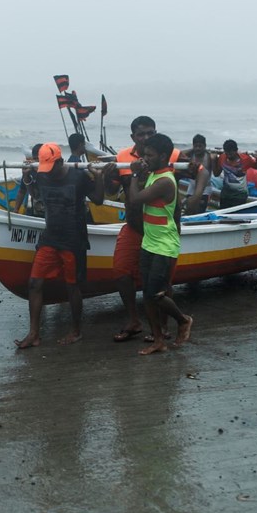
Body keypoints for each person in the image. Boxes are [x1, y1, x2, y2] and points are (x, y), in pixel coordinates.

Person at [14, 142, 105, 349]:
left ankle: (76, 331)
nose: (48, 173)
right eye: (44, 168)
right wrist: (27, 177)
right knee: (34, 283)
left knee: (72, 286)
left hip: (74, 240)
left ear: (61, 161)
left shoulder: (79, 177)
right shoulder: (43, 174)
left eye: (51, 167)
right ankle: (34, 334)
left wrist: (99, 178)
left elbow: (98, 200)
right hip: (50, 237)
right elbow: (36, 195)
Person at [109, 116, 180, 343]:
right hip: (135, 226)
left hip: (160, 230)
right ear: (133, 137)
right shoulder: (122, 157)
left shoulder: (169, 154)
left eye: (151, 133)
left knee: (162, 283)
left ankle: (162, 327)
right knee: (121, 272)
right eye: (142, 134)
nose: (146, 137)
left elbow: (200, 169)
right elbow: (111, 191)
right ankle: (134, 321)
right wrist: (108, 173)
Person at [125, 133, 193, 355]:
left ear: (163, 156)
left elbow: (134, 200)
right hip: (149, 242)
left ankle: (183, 320)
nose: (145, 159)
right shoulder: (153, 175)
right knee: (147, 294)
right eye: (144, 154)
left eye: (150, 155)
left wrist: (135, 173)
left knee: (156, 293)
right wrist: (141, 174)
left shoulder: (165, 181)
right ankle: (158, 340)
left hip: (164, 245)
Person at [213, 139, 257, 208]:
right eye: (226, 152)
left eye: (231, 153)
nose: (228, 155)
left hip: (240, 194)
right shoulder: (222, 157)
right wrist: (214, 159)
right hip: (226, 192)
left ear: (236, 150)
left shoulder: (245, 158)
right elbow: (216, 174)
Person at [179, 133, 213, 215]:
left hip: (205, 188)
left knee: (200, 211)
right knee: (188, 209)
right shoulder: (191, 154)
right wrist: (192, 149)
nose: (198, 148)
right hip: (192, 186)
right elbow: (179, 154)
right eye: (195, 146)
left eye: (200, 146)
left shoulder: (209, 157)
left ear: (205, 146)